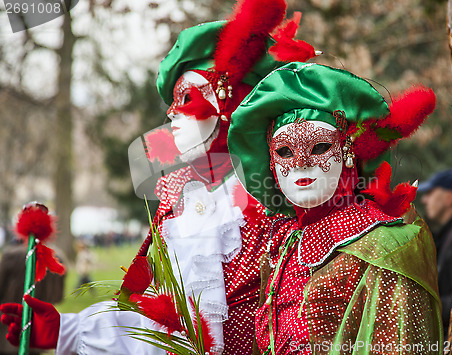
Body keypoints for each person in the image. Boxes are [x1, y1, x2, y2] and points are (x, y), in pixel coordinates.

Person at [0, 0, 317, 353]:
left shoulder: (282, 200)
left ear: (231, 101)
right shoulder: (179, 200)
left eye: (186, 98)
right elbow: (159, 323)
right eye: (171, 101)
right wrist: (70, 330)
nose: (172, 115)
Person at [227, 62, 443, 354]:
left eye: (319, 148)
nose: (301, 163)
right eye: (284, 152)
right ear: (270, 164)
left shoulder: (385, 244)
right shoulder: (280, 242)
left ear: (348, 153)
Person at [0, 239, 65, 355]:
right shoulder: (57, 256)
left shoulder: (10, 256)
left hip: (7, 330)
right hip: (38, 332)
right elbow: (58, 296)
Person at [419, 169, 452, 337]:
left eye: (430, 193)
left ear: (449, 198)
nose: (424, 199)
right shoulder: (450, 234)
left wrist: (420, 307)